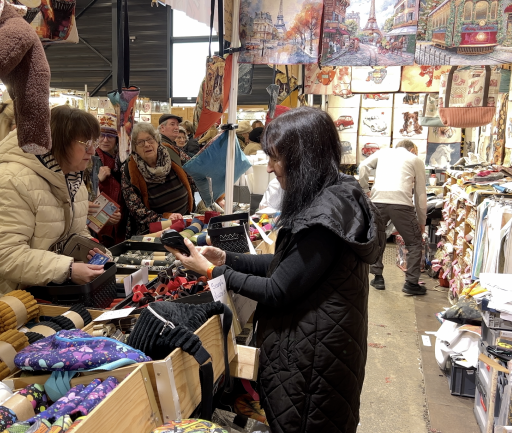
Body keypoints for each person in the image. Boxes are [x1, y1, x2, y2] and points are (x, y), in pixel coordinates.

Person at [166, 107, 385, 433]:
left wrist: (213, 273)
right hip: (319, 347)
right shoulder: (333, 195)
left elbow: (278, 290)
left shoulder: (324, 217)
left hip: (314, 361)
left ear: (304, 157)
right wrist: (228, 259)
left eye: (277, 159)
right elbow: (289, 266)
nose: (268, 168)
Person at [0, 105, 106, 316]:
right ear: (57, 141)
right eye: (85, 143)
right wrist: (67, 269)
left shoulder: (72, 180)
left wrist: (89, 249)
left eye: (94, 142)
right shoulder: (10, 181)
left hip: (34, 296)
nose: (92, 150)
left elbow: (72, 233)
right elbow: (3, 254)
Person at [358, 139, 427, 295]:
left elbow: (363, 166)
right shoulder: (415, 159)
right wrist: (422, 220)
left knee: (377, 239)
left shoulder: (382, 152)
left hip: (378, 201)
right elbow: (420, 193)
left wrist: (364, 188)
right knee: (414, 242)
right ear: (412, 149)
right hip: (402, 204)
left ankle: (377, 278)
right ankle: (411, 283)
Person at [122, 122, 198, 236]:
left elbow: (193, 172)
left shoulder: (172, 152)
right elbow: (137, 210)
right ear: (135, 148)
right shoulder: (129, 170)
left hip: (186, 222)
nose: (147, 144)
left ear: (157, 141)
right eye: (140, 142)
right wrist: (166, 218)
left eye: (150, 139)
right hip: (157, 232)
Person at [89, 113, 125, 246]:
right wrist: (96, 180)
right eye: (101, 135)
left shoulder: (122, 159)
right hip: (97, 224)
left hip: (120, 222)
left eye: (110, 136)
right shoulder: (90, 158)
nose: (105, 140)